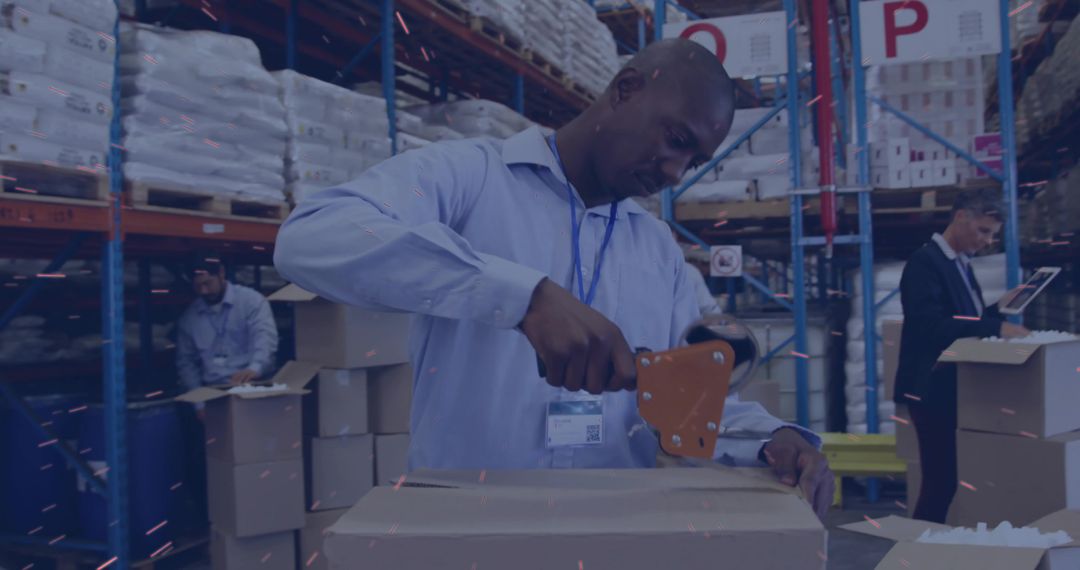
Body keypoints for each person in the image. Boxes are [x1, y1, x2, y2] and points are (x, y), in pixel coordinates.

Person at [275, 39, 834, 516]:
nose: (672, 171)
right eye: (675, 139)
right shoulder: (469, 178)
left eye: (691, 162)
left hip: (611, 531)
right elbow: (312, 236)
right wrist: (522, 297)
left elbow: (688, 393)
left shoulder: (658, 250)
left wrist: (771, 439)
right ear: (626, 90)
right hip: (465, 527)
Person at [894, 189, 1030, 523]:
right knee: (939, 482)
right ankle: (918, 548)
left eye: (992, 235)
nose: (987, 241)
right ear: (960, 217)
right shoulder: (925, 263)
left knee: (946, 480)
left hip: (950, 386)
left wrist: (997, 310)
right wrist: (994, 327)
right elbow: (930, 326)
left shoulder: (960, 265)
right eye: (983, 231)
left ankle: (925, 544)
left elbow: (963, 320)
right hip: (929, 388)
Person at [176, 255, 279, 391]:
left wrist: (255, 367)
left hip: (254, 385)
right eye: (198, 286)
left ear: (221, 273)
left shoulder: (251, 301)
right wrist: (198, 398)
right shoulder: (189, 318)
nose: (204, 291)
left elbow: (265, 337)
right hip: (214, 390)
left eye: (207, 283)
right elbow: (186, 362)